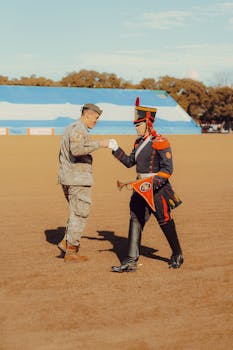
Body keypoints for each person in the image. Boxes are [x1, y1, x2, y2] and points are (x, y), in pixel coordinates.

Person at [108, 97, 183, 272]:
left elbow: (167, 169)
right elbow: (128, 162)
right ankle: (130, 260)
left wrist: (151, 183)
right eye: (135, 124)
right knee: (135, 219)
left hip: (158, 189)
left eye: (138, 124)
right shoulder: (138, 143)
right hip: (141, 189)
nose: (136, 127)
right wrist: (115, 149)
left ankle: (177, 253)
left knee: (164, 220)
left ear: (148, 124)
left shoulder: (160, 141)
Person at [58, 103, 110, 262]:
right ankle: (71, 251)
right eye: (95, 118)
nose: (96, 121)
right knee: (80, 213)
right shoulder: (78, 128)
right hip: (77, 179)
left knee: (76, 211)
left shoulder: (71, 127)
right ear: (87, 114)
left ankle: (66, 243)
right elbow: (77, 150)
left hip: (70, 177)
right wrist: (100, 144)